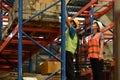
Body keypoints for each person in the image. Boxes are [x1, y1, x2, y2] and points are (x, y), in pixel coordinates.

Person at [65, 16, 79, 80]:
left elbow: (67, 22)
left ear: (74, 24)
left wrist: (64, 12)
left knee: (69, 69)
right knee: (66, 69)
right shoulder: (67, 31)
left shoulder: (73, 30)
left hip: (69, 51)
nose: (70, 22)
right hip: (66, 51)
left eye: (72, 22)